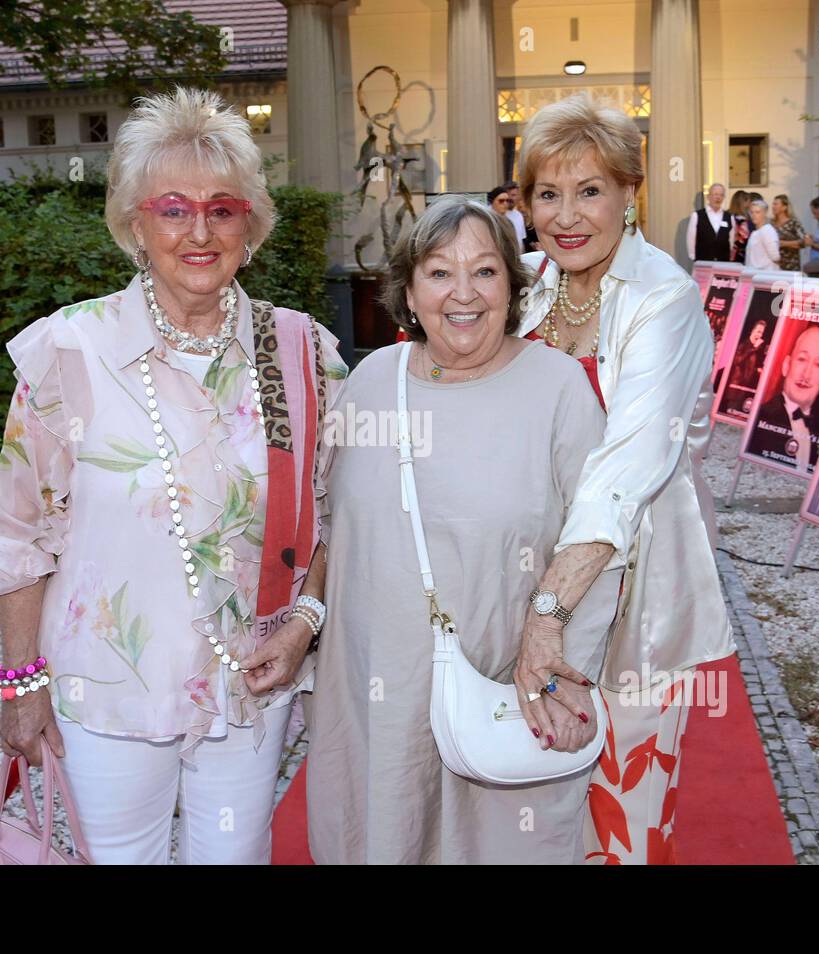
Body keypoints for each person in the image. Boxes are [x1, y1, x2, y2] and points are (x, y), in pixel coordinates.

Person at [0, 87, 348, 865]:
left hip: (251, 684)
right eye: (172, 209)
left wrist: (305, 624)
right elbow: (14, 528)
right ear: (135, 225)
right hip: (108, 690)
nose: (198, 231)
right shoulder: (70, 350)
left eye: (222, 208)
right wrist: (20, 681)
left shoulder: (304, 354)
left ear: (251, 225)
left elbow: (335, 517)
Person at [306, 196, 624, 864]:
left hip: (507, 693)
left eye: (484, 272)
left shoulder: (559, 388)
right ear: (409, 291)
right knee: (383, 836)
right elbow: (331, 527)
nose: (463, 294)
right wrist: (305, 620)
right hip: (378, 698)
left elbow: (603, 541)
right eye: (439, 272)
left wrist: (561, 674)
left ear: (512, 287)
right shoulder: (368, 383)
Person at [512, 94, 735, 864]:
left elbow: (626, 466)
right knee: (534, 806)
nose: (568, 215)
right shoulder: (527, 292)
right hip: (534, 573)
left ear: (631, 194)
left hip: (637, 584)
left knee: (623, 816)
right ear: (525, 203)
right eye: (548, 193)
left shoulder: (662, 299)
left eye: (591, 190)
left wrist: (547, 611)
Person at [748, 324, 819, 473]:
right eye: (802, 359)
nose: (806, 374)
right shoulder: (760, 416)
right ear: (786, 365)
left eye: (818, 365)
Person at [723, 318, 770, 415]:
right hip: (735, 390)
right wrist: (753, 349)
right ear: (752, 331)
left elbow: (749, 367)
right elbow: (737, 361)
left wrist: (757, 370)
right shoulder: (744, 345)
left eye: (762, 333)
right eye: (758, 332)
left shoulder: (755, 349)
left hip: (744, 391)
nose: (760, 335)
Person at [686, 182, 734, 262]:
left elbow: (731, 240)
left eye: (721, 195)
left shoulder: (729, 217)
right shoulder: (697, 215)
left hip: (723, 261)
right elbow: (691, 238)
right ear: (708, 196)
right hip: (703, 261)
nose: (718, 197)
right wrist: (693, 257)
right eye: (715, 194)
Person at [772, 194, 806, 272]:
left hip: (791, 266)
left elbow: (805, 242)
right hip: (775, 267)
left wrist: (784, 243)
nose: (773, 207)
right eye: (773, 204)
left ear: (784, 207)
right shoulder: (771, 223)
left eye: (776, 204)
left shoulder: (793, 223)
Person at [744, 198, 781, 270]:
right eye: (752, 212)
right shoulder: (755, 232)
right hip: (753, 274)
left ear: (765, 213)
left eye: (757, 212)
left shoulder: (767, 230)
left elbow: (775, 256)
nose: (754, 215)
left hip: (765, 275)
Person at [487, 185, 521, 251]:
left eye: (507, 200)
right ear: (492, 202)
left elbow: (519, 241)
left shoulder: (516, 216)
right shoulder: (485, 218)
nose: (505, 203)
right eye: (501, 201)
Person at [503, 179, 530, 249]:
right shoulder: (496, 215)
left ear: (518, 197)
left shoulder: (519, 216)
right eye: (508, 195)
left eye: (513, 195)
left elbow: (521, 241)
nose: (510, 198)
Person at [729, 190, 751, 263]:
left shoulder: (727, 216)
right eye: (748, 201)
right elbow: (745, 240)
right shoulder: (742, 221)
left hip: (728, 254)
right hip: (739, 256)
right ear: (743, 202)